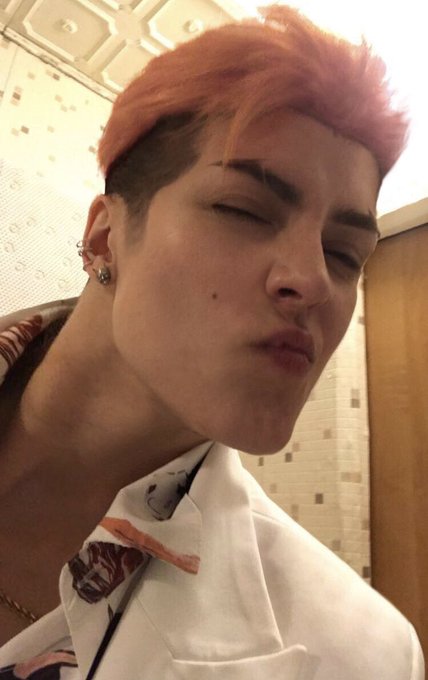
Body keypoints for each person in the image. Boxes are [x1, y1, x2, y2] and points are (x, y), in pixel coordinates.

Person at [0, 4, 424, 678]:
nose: (313, 280)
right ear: (105, 238)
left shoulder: (361, 654)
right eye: (243, 209)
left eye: (345, 254)